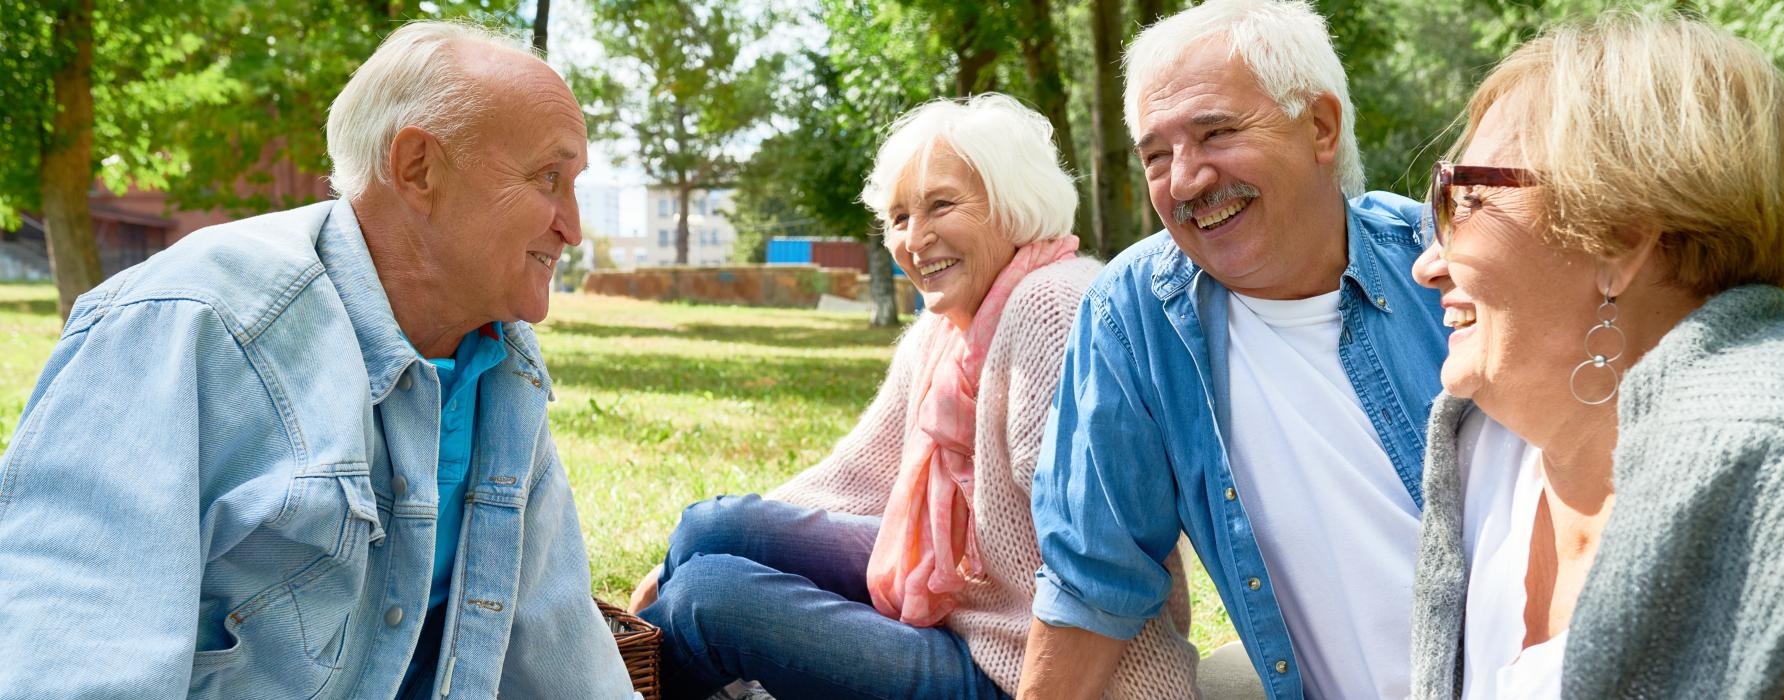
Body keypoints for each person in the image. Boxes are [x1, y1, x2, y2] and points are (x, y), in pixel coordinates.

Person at [0, 21, 636, 699]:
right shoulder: (190, 323)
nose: (571, 225)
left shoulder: (500, 364)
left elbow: (558, 653)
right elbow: (68, 660)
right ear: (418, 166)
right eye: (548, 178)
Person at [627, 94, 1201, 699]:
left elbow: (1102, 552)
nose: (915, 239)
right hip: (964, 603)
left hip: (1026, 672)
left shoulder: (1050, 305)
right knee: (708, 529)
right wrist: (680, 558)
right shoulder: (948, 326)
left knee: (707, 599)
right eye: (899, 218)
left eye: (941, 206)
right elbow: (857, 476)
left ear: (1015, 203)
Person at [1018, 1, 1452, 697]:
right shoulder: (1136, 313)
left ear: (1320, 126)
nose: (1185, 181)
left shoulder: (1447, 265)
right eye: (1156, 155)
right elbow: (1094, 579)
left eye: (1214, 134)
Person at [1406, 14, 1784, 699]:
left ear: (1619, 238)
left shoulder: (1773, 495)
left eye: (1462, 199)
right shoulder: (1485, 457)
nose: (1427, 265)